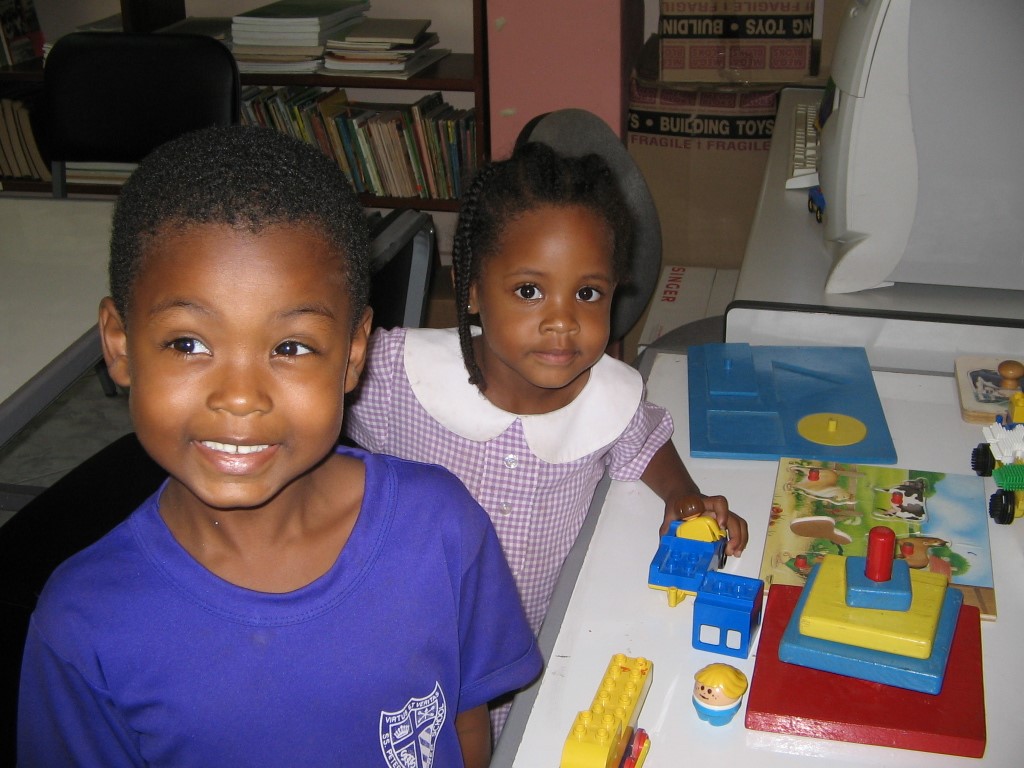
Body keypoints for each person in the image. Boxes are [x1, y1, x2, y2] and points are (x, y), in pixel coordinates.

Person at [17, 126, 542, 768]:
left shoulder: (440, 528)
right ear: (121, 345)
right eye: (189, 343)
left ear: (351, 356)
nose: (240, 397)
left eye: (290, 347)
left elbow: (466, 723)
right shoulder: (82, 626)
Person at [346, 140, 749, 640]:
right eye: (529, 291)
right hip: (406, 638)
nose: (563, 321)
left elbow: (644, 441)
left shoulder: (609, 396)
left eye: (587, 293)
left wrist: (683, 494)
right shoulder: (398, 373)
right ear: (470, 287)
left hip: (527, 644)